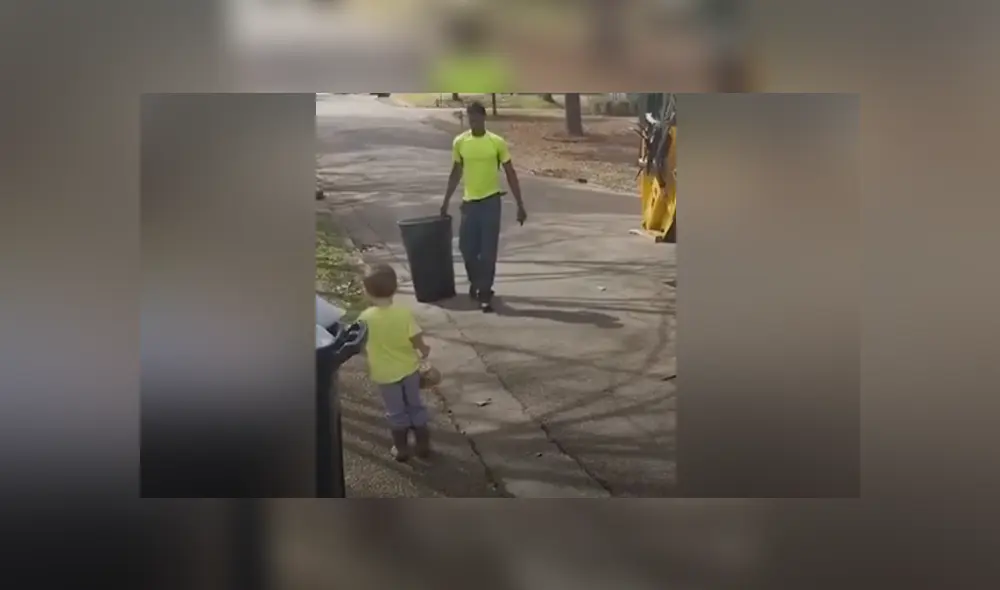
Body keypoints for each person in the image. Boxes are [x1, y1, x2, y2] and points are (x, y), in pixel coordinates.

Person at [440, 101, 527, 313]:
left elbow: (510, 173)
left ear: (483, 118)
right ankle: (477, 282)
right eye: (470, 118)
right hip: (469, 203)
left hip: (490, 202)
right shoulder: (460, 142)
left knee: (488, 251)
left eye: (477, 118)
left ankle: (485, 291)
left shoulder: (496, 142)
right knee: (466, 248)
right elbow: (456, 172)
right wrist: (445, 201)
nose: (473, 122)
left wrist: (520, 204)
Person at [357, 264, 432, 461]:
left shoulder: (365, 318)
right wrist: (424, 349)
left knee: (395, 410)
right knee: (415, 405)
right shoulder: (403, 314)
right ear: (395, 288)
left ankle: (401, 448)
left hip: (384, 373)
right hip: (409, 369)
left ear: (366, 291)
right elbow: (416, 338)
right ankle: (423, 445)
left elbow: (360, 344)